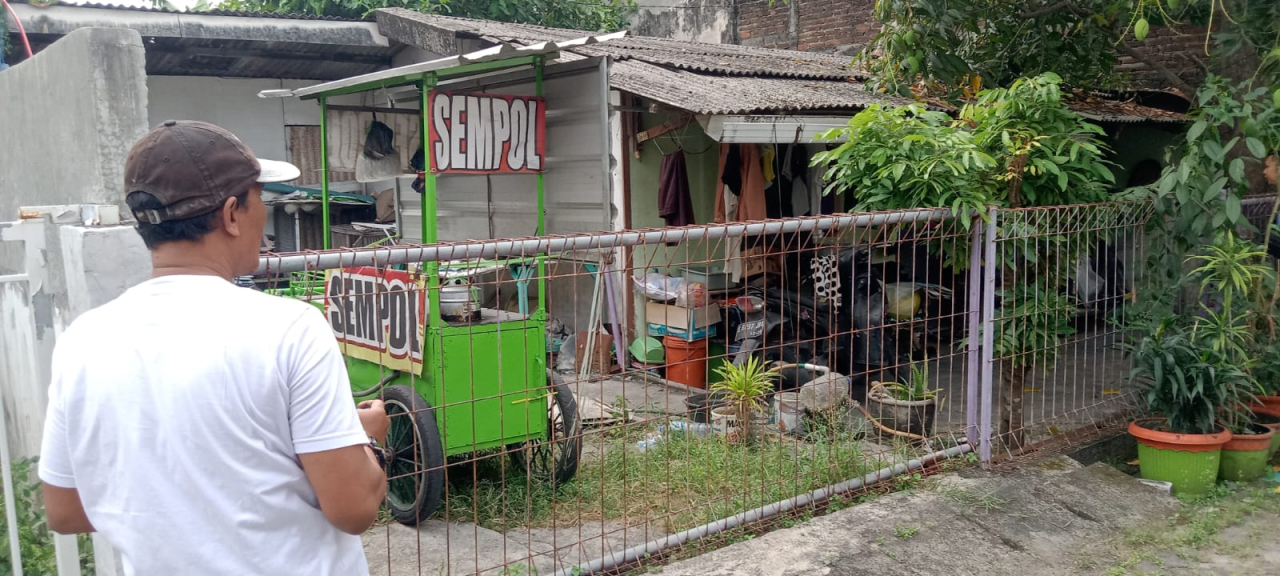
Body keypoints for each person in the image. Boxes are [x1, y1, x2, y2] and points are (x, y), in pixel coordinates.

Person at [39, 120, 388, 575]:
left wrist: (176, 495)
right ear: (231, 214)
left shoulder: (83, 339)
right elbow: (354, 508)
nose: (263, 214)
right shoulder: (290, 328)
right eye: (260, 198)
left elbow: (66, 510)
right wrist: (364, 441)